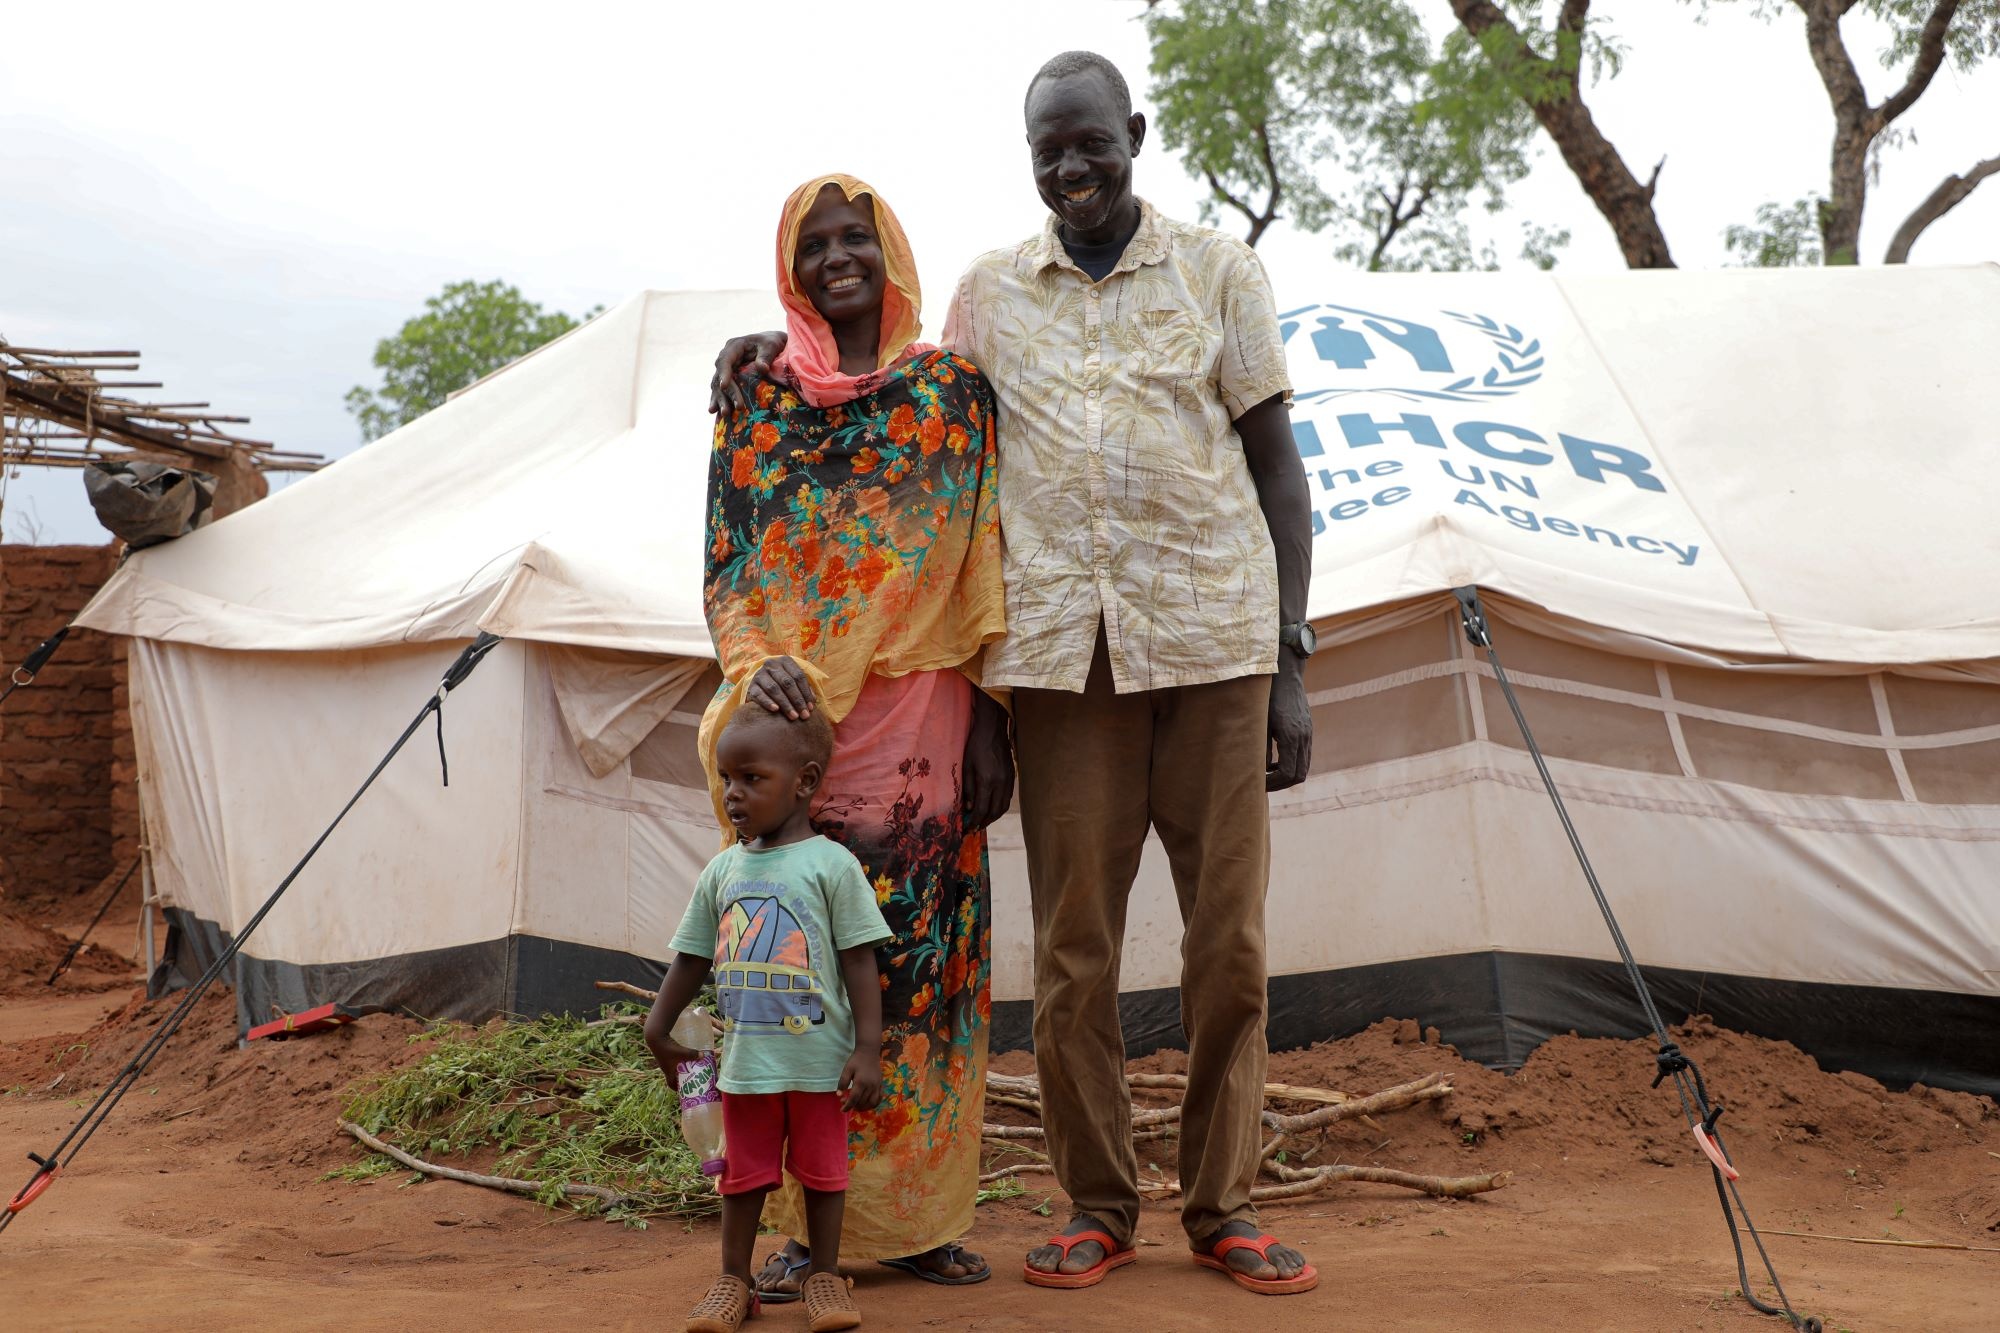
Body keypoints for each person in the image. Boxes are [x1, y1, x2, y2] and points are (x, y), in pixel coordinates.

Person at [709, 54, 1318, 1297]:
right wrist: (762, 349)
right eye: (1048, 149)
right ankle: (1099, 1204)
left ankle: (1222, 1207)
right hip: (1060, 666)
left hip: (1213, 648)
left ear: (1132, 135)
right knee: (1074, 953)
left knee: (1229, 950)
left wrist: (1293, 660)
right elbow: (889, 406)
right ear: (1028, 157)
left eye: (1089, 141)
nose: (1070, 166)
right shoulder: (990, 295)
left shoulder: (1219, 273)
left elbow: (1277, 468)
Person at [697, 173, 1011, 1300]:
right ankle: (800, 1232)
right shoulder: (756, 401)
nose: (840, 258)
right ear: (791, 269)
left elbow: (981, 557)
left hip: (928, 729)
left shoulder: (948, 393)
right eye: (816, 244)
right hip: (799, 736)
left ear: (891, 254)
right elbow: (728, 569)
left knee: (923, 986)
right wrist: (754, 669)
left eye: (857, 238)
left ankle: (917, 1223)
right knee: (800, 985)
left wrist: (992, 718)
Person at [646, 704, 891, 1333]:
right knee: (742, 1176)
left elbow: (860, 962)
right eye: (728, 778)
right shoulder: (723, 869)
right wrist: (657, 1024)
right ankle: (735, 1284)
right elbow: (693, 957)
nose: (733, 794)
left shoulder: (831, 866)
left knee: (823, 1174)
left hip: (818, 1062)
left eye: (752, 778)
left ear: (805, 781)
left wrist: (868, 1049)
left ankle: (825, 1279)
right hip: (746, 1064)